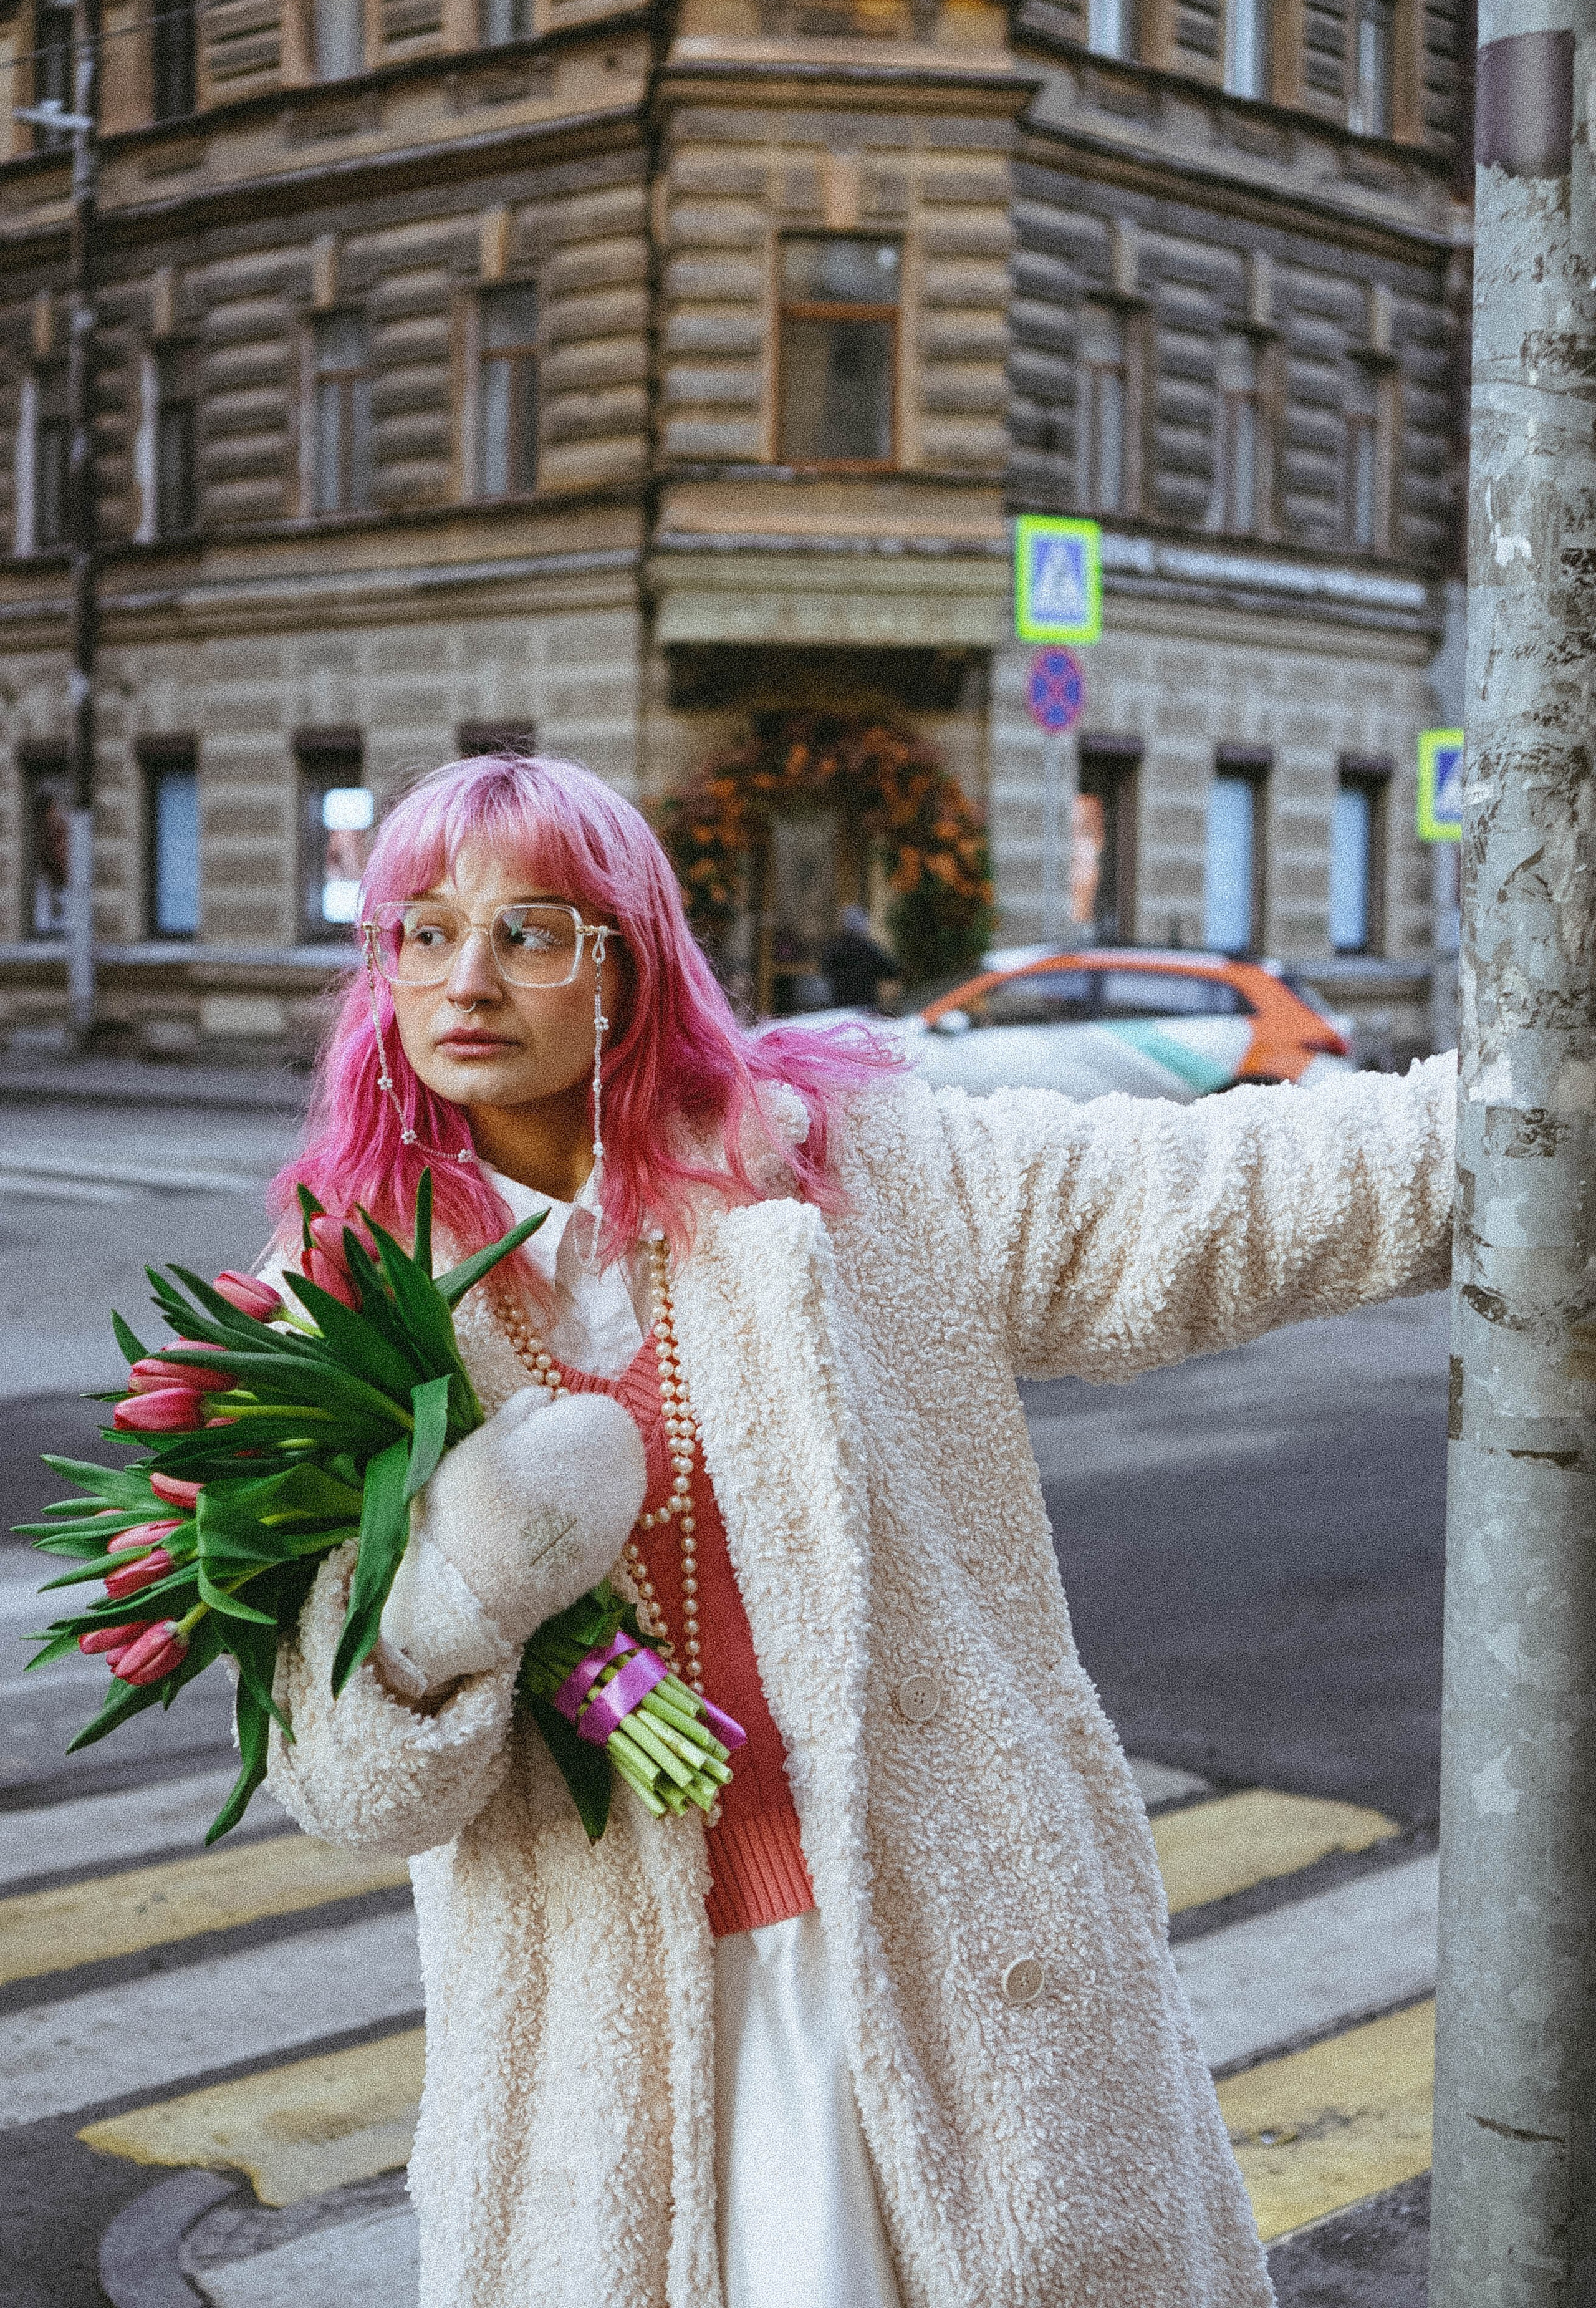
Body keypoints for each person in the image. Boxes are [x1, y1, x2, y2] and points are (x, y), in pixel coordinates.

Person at [262, 753, 1455, 2308]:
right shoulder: (341, 1304)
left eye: (529, 931)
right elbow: (349, 1782)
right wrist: (451, 1600)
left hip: (954, 1975)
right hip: (610, 2063)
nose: (465, 980)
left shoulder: (847, 1175)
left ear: (630, 961)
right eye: (421, 933)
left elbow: (1205, 1200)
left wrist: (1514, 1118)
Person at [821, 902, 901, 1011]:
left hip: (840, 1005)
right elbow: (891, 970)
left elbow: (824, 968)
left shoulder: (835, 948)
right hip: (866, 1005)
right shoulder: (869, 948)